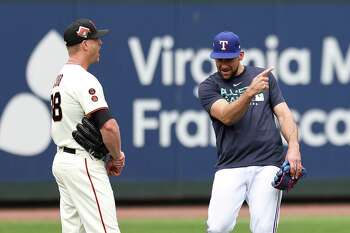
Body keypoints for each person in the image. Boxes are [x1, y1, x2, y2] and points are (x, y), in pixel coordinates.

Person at [198, 31, 303, 233]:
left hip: (267, 164)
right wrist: (249, 92)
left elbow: (283, 115)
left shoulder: (264, 78)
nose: (223, 64)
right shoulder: (209, 86)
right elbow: (227, 116)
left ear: (241, 55)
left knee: (263, 229)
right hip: (230, 164)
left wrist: (294, 146)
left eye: (228, 58)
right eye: (218, 59)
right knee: (218, 227)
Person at [50, 18, 125, 233]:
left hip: (63, 162)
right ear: (84, 44)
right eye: (95, 39)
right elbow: (109, 127)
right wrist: (117, 156)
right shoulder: (84, 79)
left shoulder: (59, 78)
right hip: (83, 164)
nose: (100, 43)